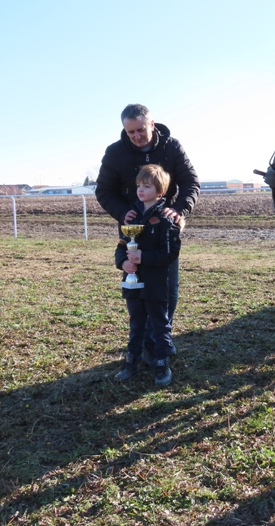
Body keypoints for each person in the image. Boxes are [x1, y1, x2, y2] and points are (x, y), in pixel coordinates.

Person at [96, 104, 199, 361]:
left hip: (163, 228)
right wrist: (122, 213)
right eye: (130, 132)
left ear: (152, 125)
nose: (137, 136)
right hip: (133, 229)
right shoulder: (115, 153)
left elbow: (190, 182)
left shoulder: (171, 147)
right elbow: (104, 191)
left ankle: (160, 339)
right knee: (136, 290)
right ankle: (140, 341)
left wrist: (178, 210)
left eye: (141, 129)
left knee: (166, 289)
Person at [114, 165, 181, 387]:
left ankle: (162, 365)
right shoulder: (131, 217)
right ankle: (130, 362)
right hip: (132, 283)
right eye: (138, 186)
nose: (140, 190)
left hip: (156, 283)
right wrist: (123, 262)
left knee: (160, 325)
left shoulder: (166, 219)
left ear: (160, 191)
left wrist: (143, 258)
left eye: (147, 186)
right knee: (136, 324)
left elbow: (170, 253)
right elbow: (121, 247)